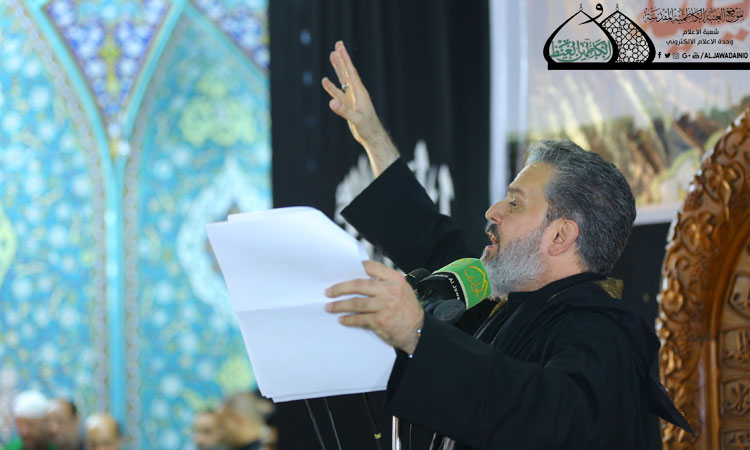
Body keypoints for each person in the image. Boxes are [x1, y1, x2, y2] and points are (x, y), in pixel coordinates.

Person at [321, 41, 692, 449]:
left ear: (560, 236)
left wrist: (417, 331)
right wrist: (373, 136)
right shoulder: (508, 309)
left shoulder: (601, 335)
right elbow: (430, 240)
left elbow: (547, 418)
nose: (492, 211)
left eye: (515, 203)